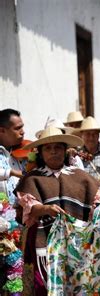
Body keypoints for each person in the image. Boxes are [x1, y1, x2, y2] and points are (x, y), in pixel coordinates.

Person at [15, 126, 100, 294]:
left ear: (65, 151)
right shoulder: (32, 178)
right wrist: (45, 208)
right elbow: (28, 206)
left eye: (58, 147)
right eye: (48, 148)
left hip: (79, 245)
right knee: (46, 286)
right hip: (44, 243)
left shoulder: (81, 176)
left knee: (79, 285)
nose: (53, 152)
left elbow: (99, 201)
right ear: (40, 152)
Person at [0, 108, 25, 295]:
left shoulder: (14, 153)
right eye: (18, 128)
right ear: (2, 131)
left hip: (13, 225)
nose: (23, 132)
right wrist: (12, 172)